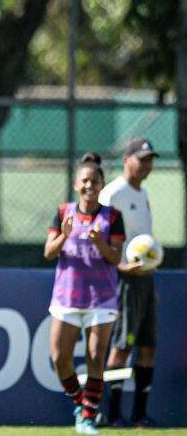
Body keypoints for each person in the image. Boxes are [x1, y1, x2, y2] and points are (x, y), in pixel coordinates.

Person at [44, 153, 125, 435]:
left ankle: (87, 419)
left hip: (101, 298)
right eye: (85, 180)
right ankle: (82, 404)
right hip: (67, 297)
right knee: (59, 357)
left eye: (95, 180)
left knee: (95, 354)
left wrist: (100, 243)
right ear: (76, 184)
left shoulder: (112, 216)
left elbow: (116, 258)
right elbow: (48, 252)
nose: (90, 185)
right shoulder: (64, 212)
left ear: (102, 184)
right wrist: (64, 235)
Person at [99, 137, 160, 428]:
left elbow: (143, 240)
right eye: (141, 158)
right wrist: (119, 269)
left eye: (149, 159)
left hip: (145, 281)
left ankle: (139, 415)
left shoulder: (143, 193)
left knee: (148, 347)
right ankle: (111, 414)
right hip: (122, 280)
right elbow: (97, 240)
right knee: (122, 346)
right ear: (126, 160)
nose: (146, 164)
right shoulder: (113, 193)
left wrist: (151, 281)